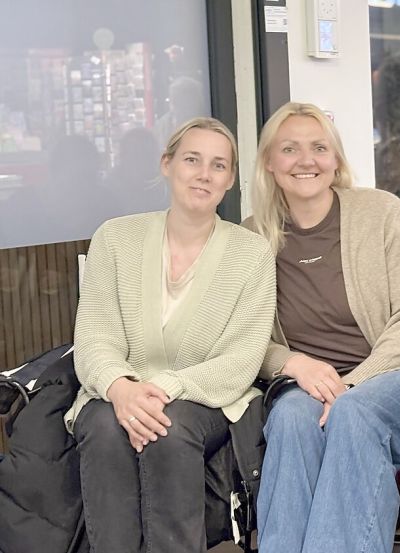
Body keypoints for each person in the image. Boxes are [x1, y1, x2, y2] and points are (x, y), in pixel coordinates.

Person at [250, 102, 400, 553]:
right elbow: (244, 338)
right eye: (289, 149)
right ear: (269, 162)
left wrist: (352, 384)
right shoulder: (251, 238)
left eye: (319, 147)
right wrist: (292, 362)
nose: (306, 160)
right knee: (288, 419)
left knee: (354, 413)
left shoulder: (380, 212)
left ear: (336, 159)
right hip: (313, 390)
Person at [65, 117, 277, 552]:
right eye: (192, 160)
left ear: (231, 178)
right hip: (115, 390)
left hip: (205, 397)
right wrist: (119, 387)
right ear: (167, 164)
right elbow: (94, 334)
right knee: (105, 427)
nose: (204, 174)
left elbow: (243, 357)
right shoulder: (116, 238)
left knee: (170, 427)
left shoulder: (250, 252)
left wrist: (163, 387)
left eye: (218, 165)